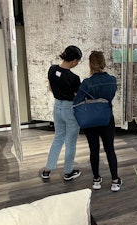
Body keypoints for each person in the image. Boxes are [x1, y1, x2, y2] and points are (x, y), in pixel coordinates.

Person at [73, 51, 122, 192]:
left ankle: (96, 180)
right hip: (107, 119)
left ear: (90, 64)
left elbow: (77, 102)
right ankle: (115, 180)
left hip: (90, 121)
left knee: (94, 150)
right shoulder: (112, 80)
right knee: (109, 149)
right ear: (104, 63)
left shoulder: (86, 83)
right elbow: (110, 96)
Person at [41, 45, 82, 181]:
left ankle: (47, 169)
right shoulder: (74, 78)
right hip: (69, 109)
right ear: (74, 60)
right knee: (70, 142)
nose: (77, 64)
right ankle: (68, 172)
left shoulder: (52, 69)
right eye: (78, 61)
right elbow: (77, 97)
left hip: (57, 106)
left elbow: (50, 88)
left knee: (58, 138)